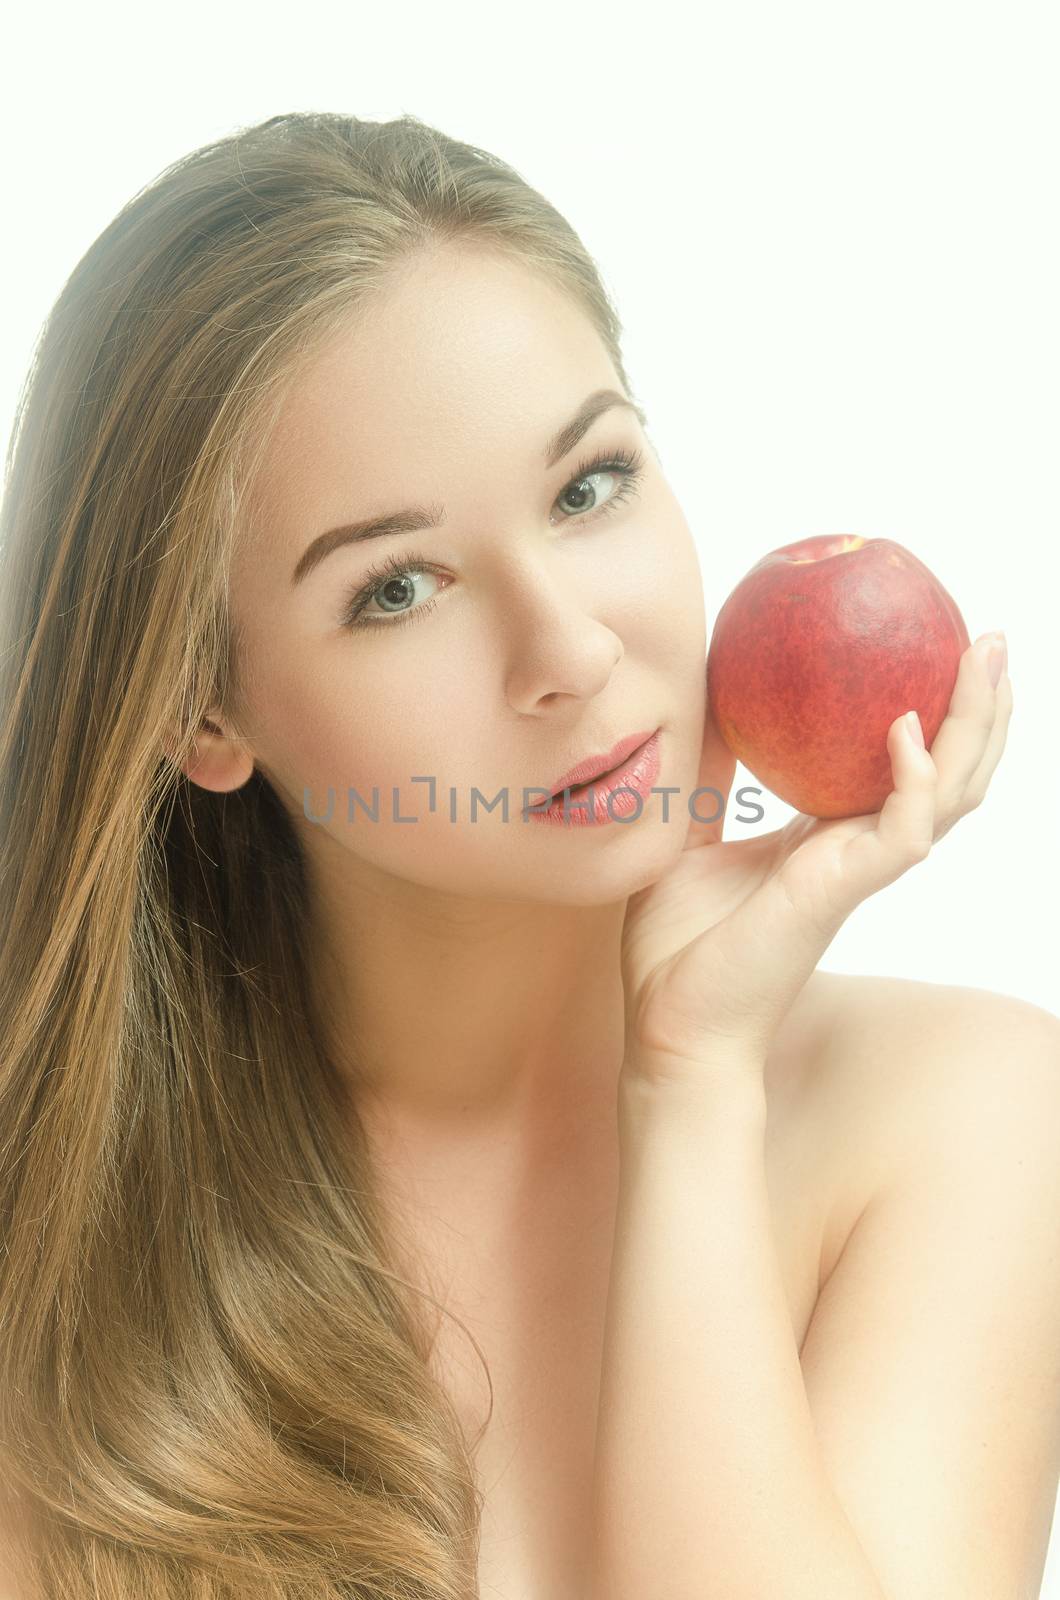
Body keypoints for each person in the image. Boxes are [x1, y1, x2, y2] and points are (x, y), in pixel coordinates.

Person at [0, 110, 1057, 1600]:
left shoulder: (962, 1110)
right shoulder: (62, 1232)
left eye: (589, 487)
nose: (567, 649)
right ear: (203, 712)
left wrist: (690, 1084)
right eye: (399, 588)